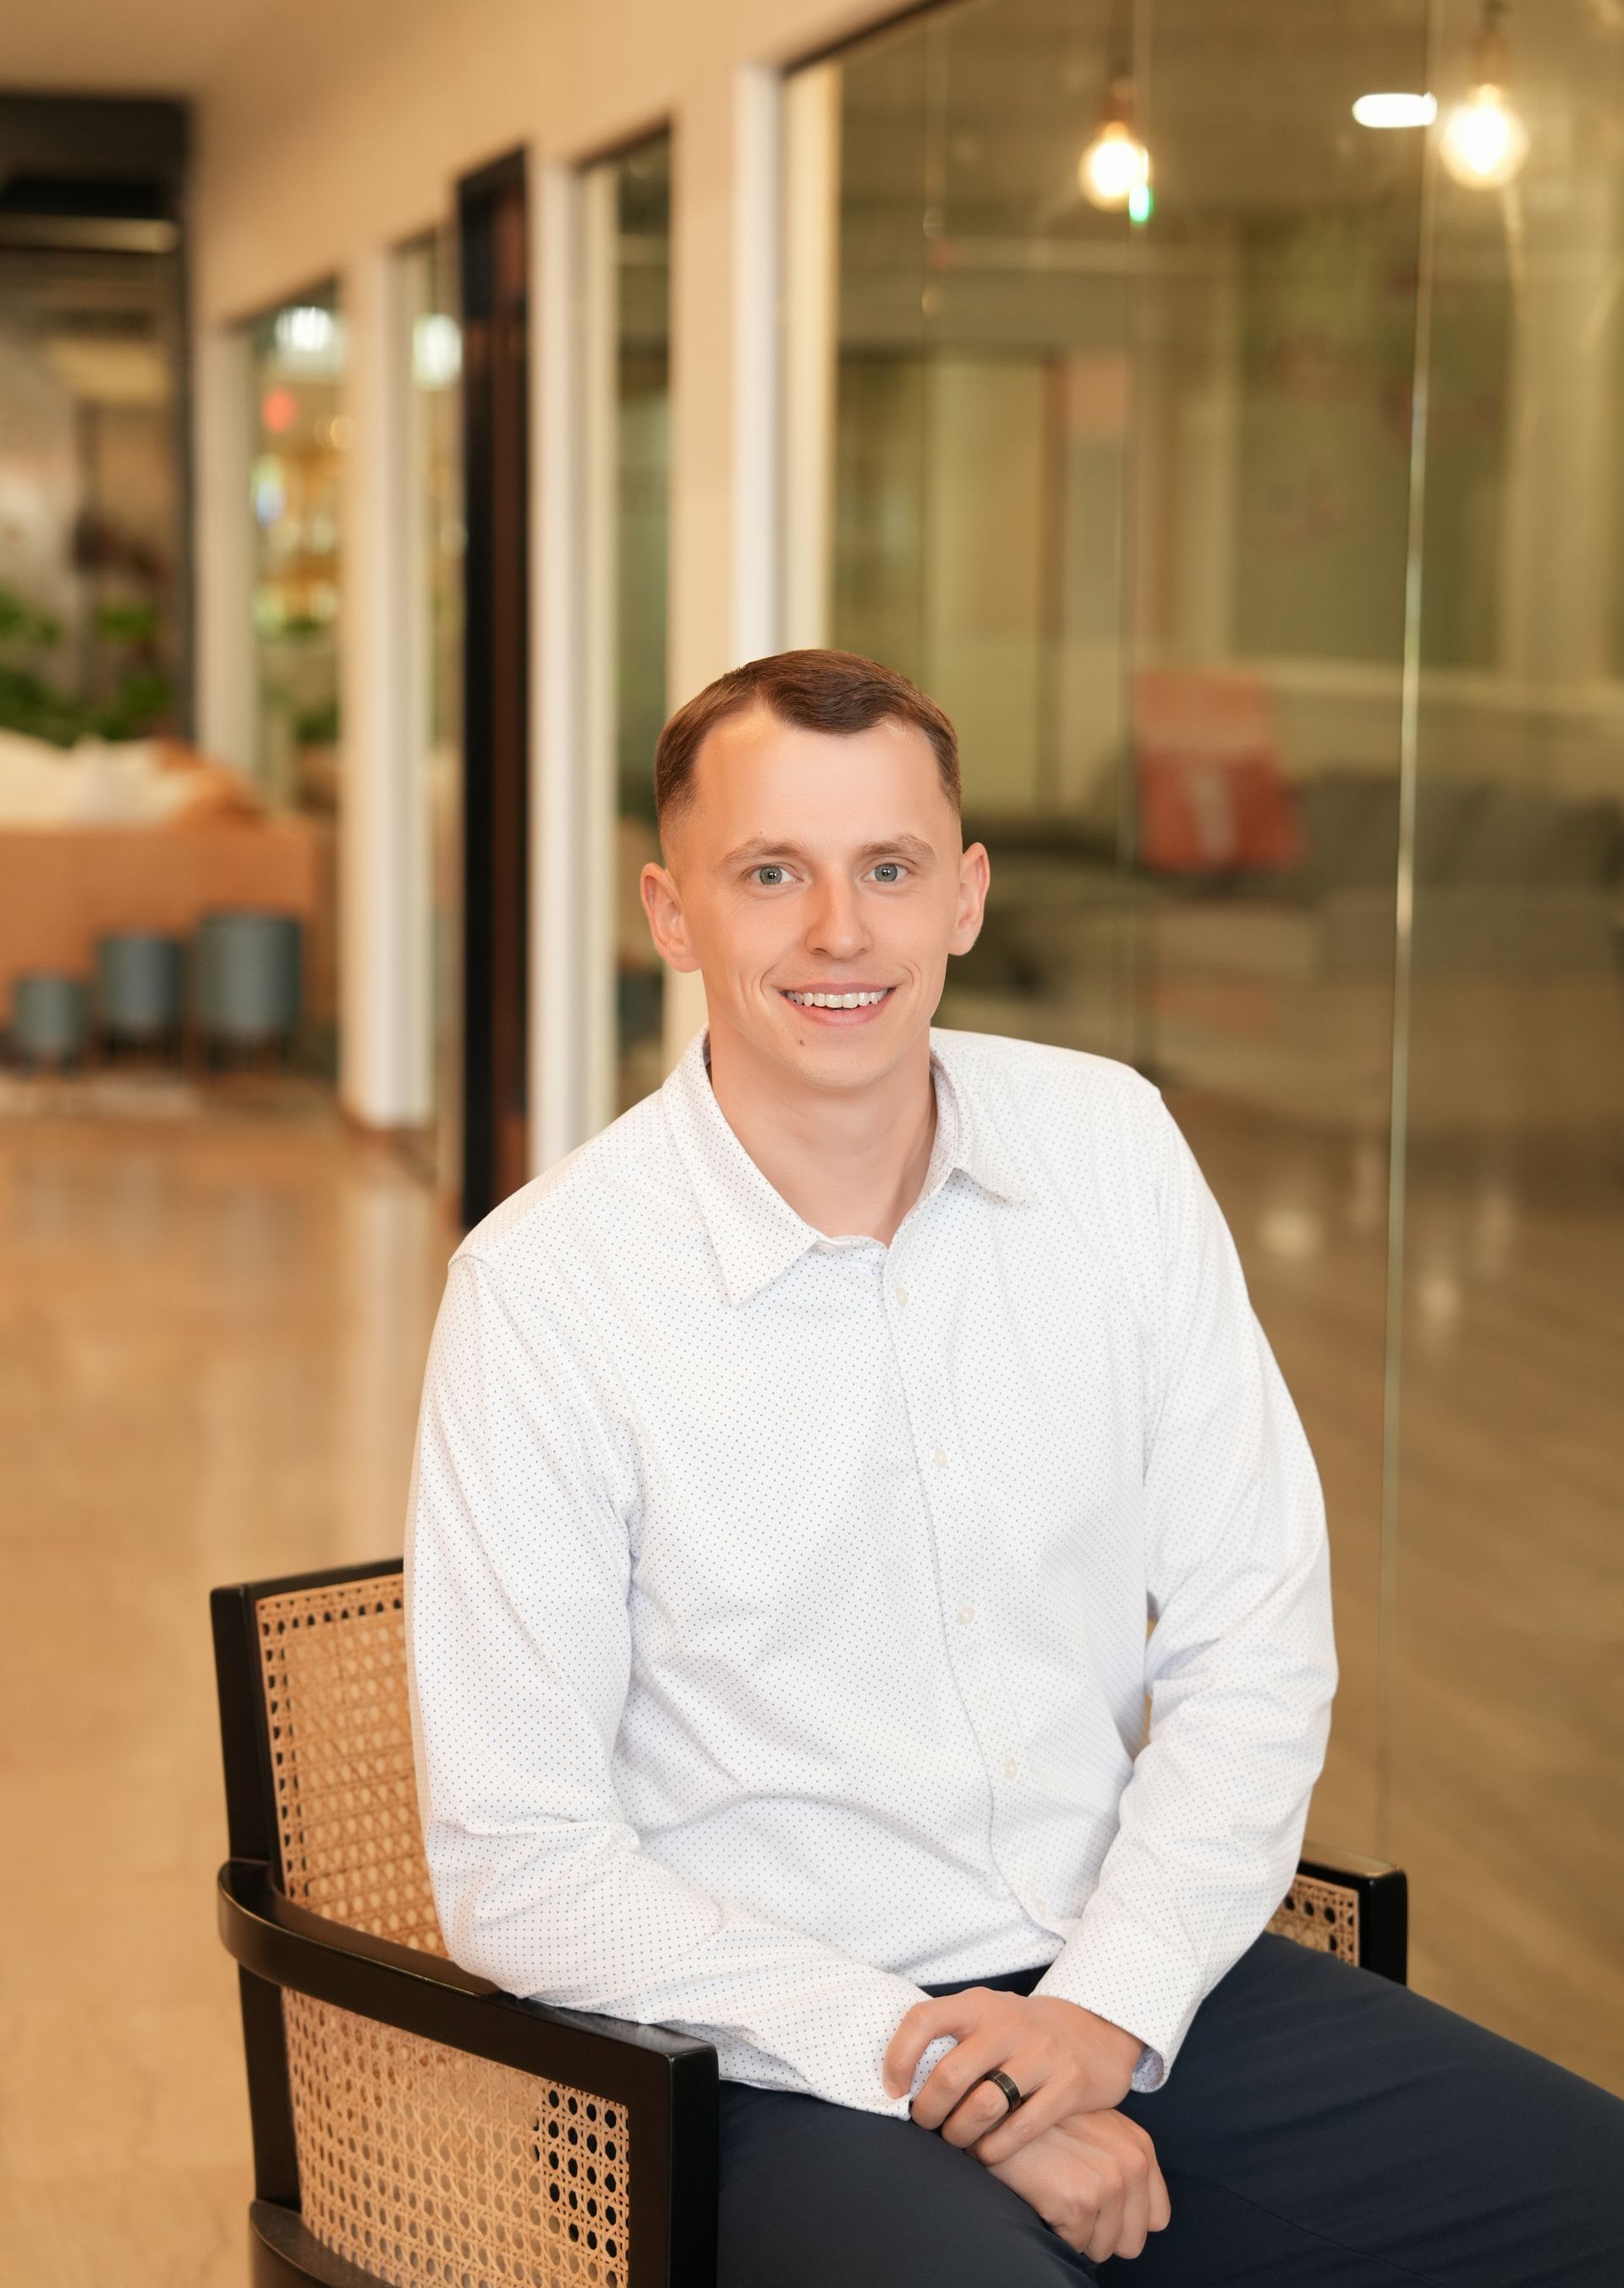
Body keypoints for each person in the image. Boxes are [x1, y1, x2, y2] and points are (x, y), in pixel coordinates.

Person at [406, 650, 1623, 2284]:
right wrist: (933, 2057)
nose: (841, 931)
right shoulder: (546, 1292)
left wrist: (1108, 2009)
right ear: (672, 913)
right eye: (773, 872)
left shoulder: (1109, 1144)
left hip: (1133, 1970)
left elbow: (1252, 1637)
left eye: (889, 869)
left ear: (965, 896)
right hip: (765, 2061)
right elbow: (521, 1865)